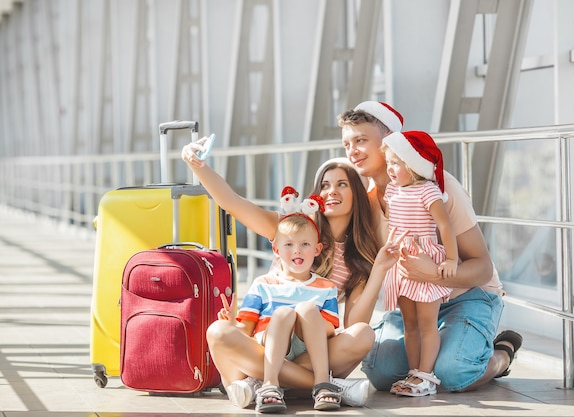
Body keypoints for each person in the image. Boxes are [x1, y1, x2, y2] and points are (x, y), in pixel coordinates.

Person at [180, 143, 388, 407]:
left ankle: (263, 382)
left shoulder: (358, 257)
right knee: (219, 331)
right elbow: (234, 203)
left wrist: (379, 270)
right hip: (270, 341)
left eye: (342, 184)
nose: (331, 191)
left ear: (357, 194)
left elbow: (352, 323)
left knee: (363, 333)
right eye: (324, 185)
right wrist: (198, 166)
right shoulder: (290, 225)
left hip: (311, 351)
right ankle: (324, 386)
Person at [337, 101, 523, 393]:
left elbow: (482, 266)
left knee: (454, 373)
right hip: (412, 301)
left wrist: (434, 273)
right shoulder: (367, 203)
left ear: (388, 142)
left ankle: (502, 351)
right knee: (380, 371)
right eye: (347, 143)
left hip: (466, 296)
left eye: (361, 140)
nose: (352, 151)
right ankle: (436, 359)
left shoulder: (439, 187)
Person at [220, 206, 343, 412]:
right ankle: (270, 384)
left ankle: (322, 383)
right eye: (289, 244)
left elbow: (330, 329)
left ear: (317, 249)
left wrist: (304, 317)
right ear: (276, 250)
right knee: (284, 313)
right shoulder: (262, 284)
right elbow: (247, 329)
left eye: (305, 244)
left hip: (307, 346)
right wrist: (232, 323)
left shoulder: (327, 287)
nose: (297, 250)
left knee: (307, 309)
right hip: (269, 342)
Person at [380, 130, 457, 396]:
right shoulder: (391, 190)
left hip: (423, 259)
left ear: (413, 165)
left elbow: (444, 226)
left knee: (427, 323)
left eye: (396, 163)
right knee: (408, 323)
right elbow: (391, 224)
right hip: (401, 262)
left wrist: (452, 258)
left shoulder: (428, 190)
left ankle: (426, 374)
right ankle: (414, 373)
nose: (390, 168)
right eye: (388, 162)